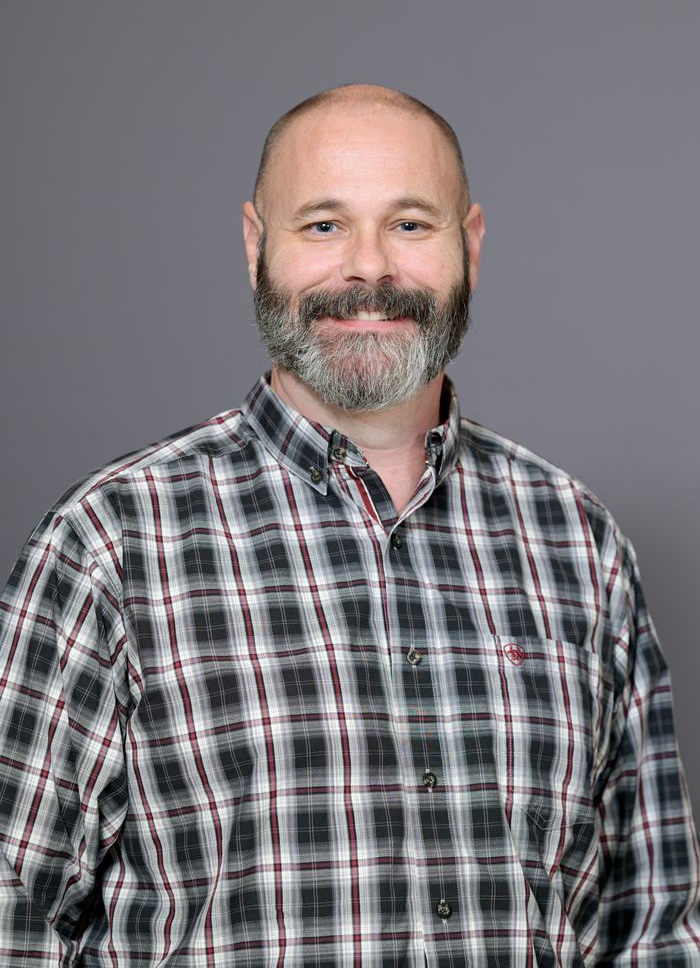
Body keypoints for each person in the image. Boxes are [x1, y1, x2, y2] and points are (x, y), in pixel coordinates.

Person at [0, 83, 698, 967]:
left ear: (470, 248)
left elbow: (655, 929)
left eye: (410, 224)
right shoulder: (111, 545)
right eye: (323, 226)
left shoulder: (577, 543)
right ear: (257, 247)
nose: (369, 268)